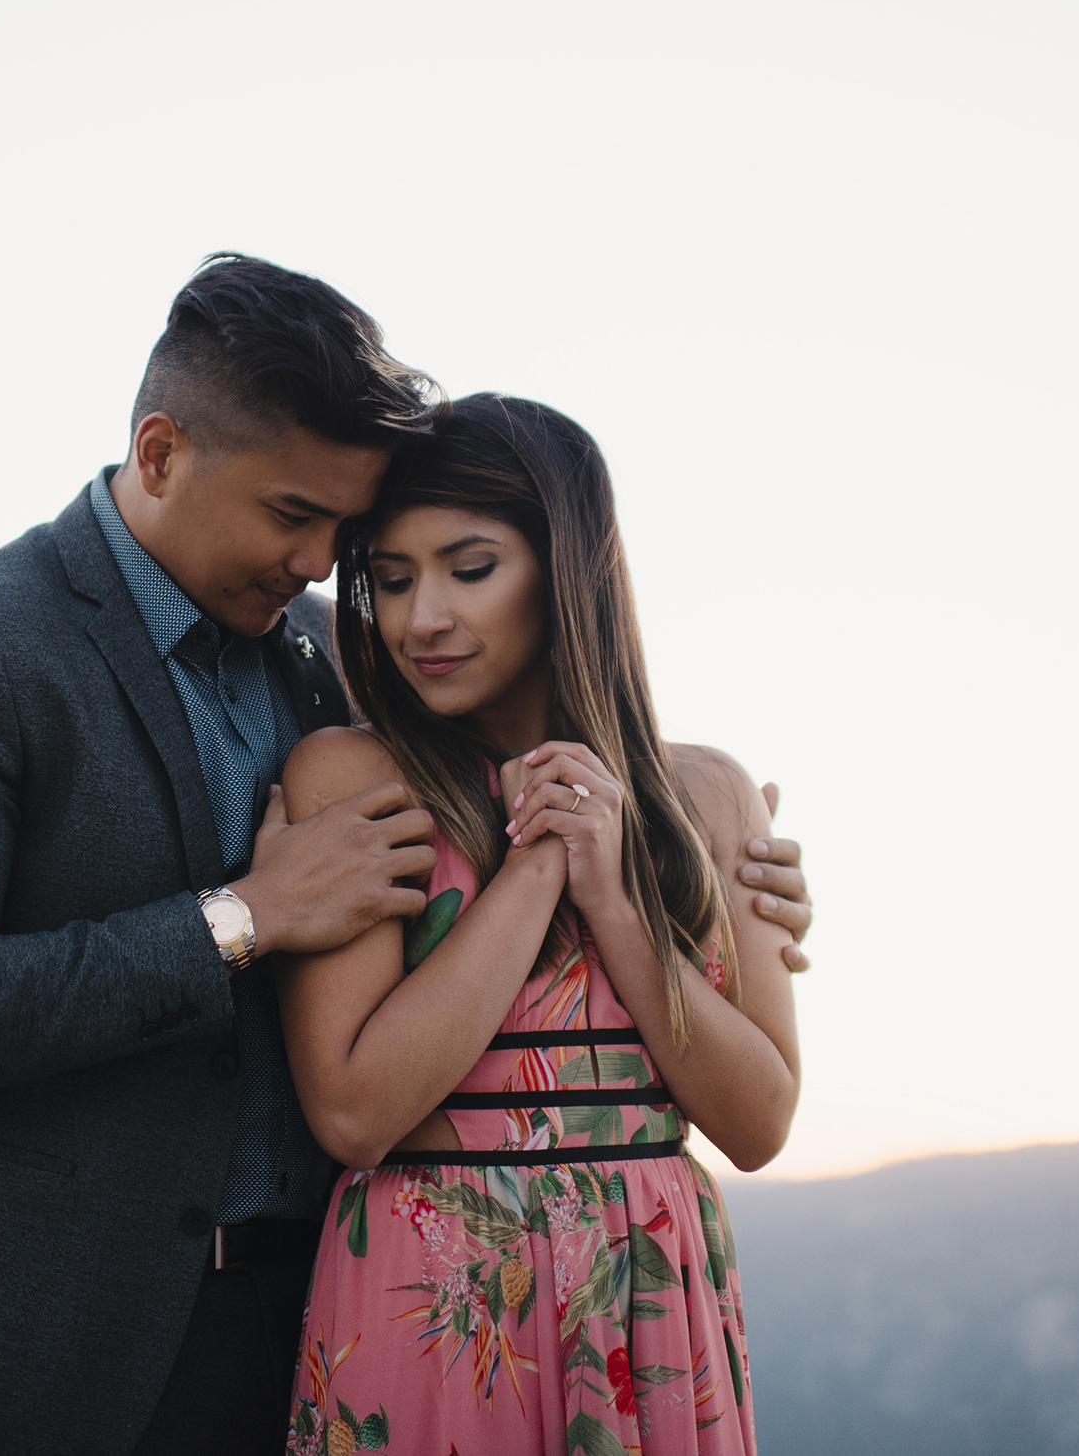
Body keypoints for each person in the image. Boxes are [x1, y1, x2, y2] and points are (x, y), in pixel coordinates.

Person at [0, 256, 814, 1456]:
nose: (329, 561)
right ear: (164, 453)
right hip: (43, 1345)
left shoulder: (344, 660)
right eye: (296, 515)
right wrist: (242, 917)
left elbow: (537, 765)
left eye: (345, 528)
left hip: (326, 1323)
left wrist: (712, 867)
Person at [275, 394, 800, 1455]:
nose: (421, 617)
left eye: (470, 569)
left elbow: (758, 1122)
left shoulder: (708, 797)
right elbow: (354, 1112)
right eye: (389, 579)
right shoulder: (355, 777)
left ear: (567, 571)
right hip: (433, 1302)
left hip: (651, 1285)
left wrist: (612, 893)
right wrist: (538, 861)